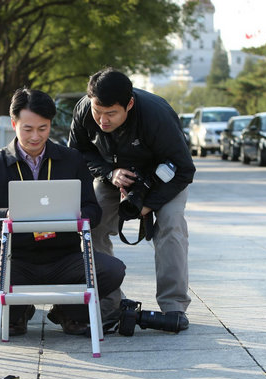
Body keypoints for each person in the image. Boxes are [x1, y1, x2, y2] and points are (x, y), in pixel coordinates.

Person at [0, 87, 126, 336]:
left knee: (113, 270)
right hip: (16, 258)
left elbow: (93, 210)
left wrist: (77, 214)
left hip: (65, 258)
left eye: (43, 128)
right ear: (13, 123)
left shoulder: (71, 159)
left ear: (50, 124)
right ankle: (18, 313)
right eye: (27, 129)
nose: (35, 137)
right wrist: (10, 214)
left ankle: (67, 311)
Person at [68, 68, 195, 330]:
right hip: (113, 175)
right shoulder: (83, 109)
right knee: (91, 224)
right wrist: (108, 172)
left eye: (111, 113)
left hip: (164, 178)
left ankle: (174, 306)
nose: (102, 120)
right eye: (97, 112)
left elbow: (185, 169)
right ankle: (108, 302)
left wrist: (148, 205)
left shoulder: (155, 115)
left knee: (171, 224)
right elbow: (77, 154)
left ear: (130, 104)